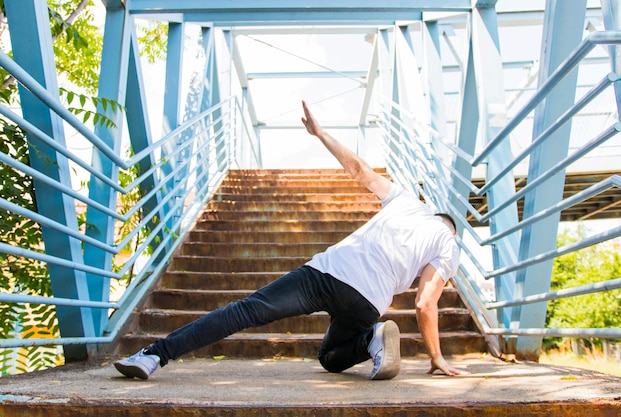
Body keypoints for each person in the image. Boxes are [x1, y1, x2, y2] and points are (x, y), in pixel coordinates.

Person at [114, 100, 467, 380]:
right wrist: (435, 357)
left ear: (433, 212)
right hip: (370, 301)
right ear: (449, 228)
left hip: (329, 272)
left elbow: (359, 169)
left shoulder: (406, 200)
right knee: (331, 358)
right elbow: (425, 302)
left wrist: (320, 133)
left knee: (244, 312)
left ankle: (154, 356)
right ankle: (372, 338)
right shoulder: (448, 244)